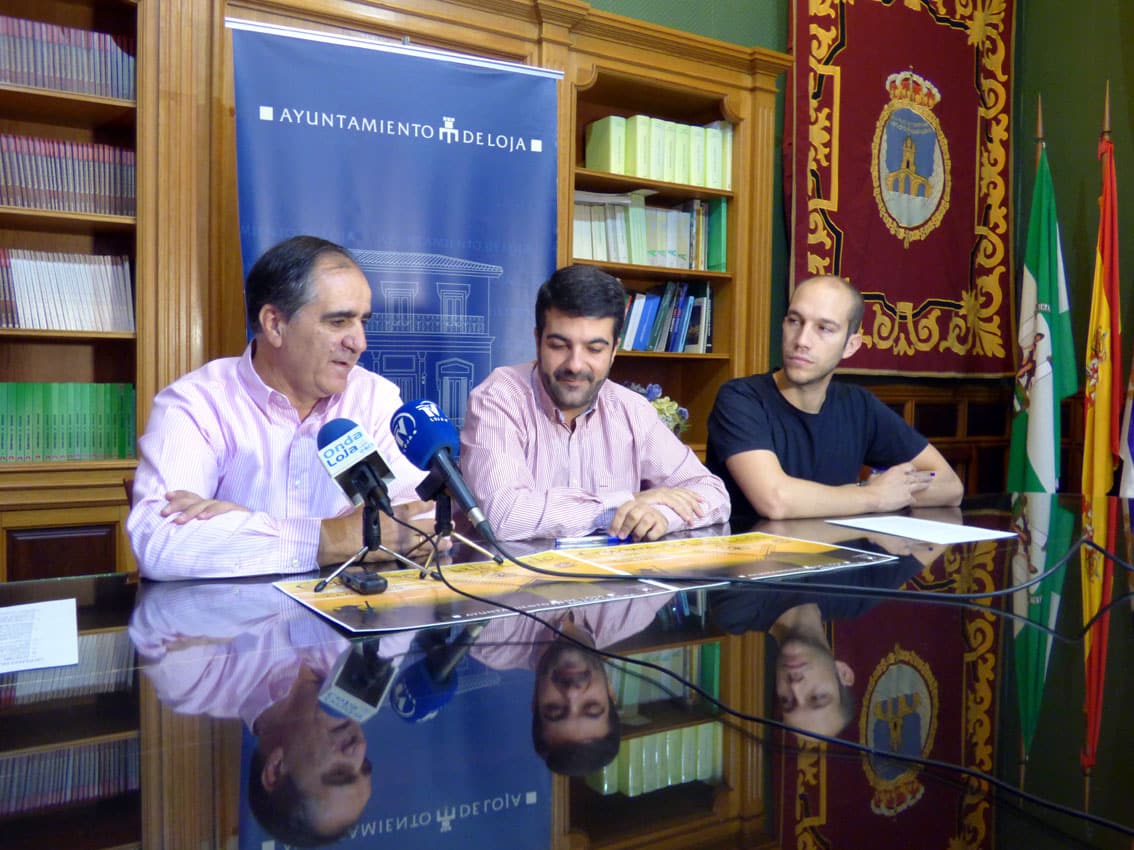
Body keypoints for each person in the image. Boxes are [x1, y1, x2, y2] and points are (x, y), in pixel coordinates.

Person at [127, 235, 432, 580]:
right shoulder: (196, 403)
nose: (359, 343)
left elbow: (420, 525)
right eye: (338, 322)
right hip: (237, 626)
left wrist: (242, 525)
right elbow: (161, 542)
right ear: (274, 324)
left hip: (354, 622)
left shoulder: (373, 397)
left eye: (363, 321)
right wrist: (337, 536)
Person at [460, 264, 730, 541]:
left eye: (594, 349)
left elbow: (712, 493)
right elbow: (503, 515)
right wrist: (623, 504)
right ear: (537, 340)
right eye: (559, 345)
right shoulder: (499, 397)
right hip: (517, 581)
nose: (575, 365)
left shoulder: (631, 409)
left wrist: (661, 515)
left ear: (614, 351)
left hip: (616, 580)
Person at [129, 580, 377, 846]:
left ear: (275, 769)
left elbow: (163, 608)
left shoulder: (195, 685)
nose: (358, 748)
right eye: (365, 765)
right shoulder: (364, 667)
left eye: (338, 773)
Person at [706, 274, 963, 527]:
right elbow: (775, 499)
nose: (802, 341)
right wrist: (872, 495)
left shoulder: (858, 405)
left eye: (824, 328)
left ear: (851, 346)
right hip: (758, 562)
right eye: (795, 321)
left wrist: (891, 491)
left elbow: (950, 487)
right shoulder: (740, 398)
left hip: (837, 559)